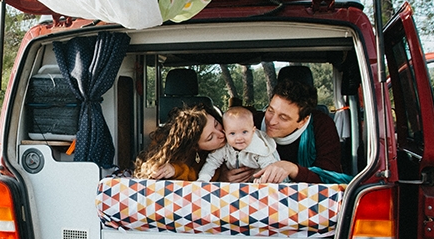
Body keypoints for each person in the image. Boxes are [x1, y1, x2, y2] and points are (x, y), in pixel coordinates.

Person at [221, 77, 349, 184]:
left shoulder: (322, 126)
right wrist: (223, 176)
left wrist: (293, 169)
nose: (272, 121)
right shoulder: (249, 124)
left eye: (283, 117)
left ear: (303, 121)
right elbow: (219, 154)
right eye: (270, 110)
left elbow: (331, 178)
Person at [134, 106, 225, 181]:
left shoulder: (233, 133)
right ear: (195, 147)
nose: (221, 134)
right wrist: (175, 170)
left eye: (216, 124)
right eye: (210, 137)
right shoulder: (165, 147)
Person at [197, 106, 285, 182]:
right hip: (234, 187)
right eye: (232, 133)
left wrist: (263, 179)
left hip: (257, 183)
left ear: (253, 131)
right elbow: (211, 163)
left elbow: (270, 167)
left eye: (244, 132)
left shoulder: (258, 147)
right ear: (225, 132)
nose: (239, 138)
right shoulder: (225, 147)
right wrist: (203, 179)